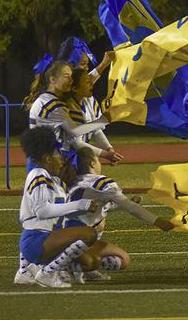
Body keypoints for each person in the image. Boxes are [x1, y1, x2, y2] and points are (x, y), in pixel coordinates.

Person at [64, 147, 174, 281]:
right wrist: (157, 221)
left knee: (97, 225)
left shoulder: (76, 181)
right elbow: (131, 208)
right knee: (122, 259)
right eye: (98, 160)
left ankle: (83, 267)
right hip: (77, 237)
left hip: (64, 235)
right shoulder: (101, 183)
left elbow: (102, 208)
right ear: (92, 163)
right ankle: (66, 266)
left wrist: (126, 204)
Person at [15, 126, 100, 289]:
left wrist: (88, 207)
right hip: (36, 241)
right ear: (48, 159)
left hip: (47, 239)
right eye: (57, 154)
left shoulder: (55, 181)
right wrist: (80, 204)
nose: (62, 159)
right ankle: (47, 273)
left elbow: (60, 212)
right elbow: (42, 211)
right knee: (89, 234)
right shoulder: (38, 174)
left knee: (91, 262)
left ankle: (30, 270)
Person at [24, 59, 111, 159]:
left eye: (71, 77)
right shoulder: (53, 104)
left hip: (45, 156)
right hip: (45, 159)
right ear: (52, 80)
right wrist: (104, 120)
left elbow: (85, 83)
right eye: (66, 77)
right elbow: (75, 130)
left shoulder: (48, 98)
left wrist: (104, 64)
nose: (71, 80)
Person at [64, 68, 123, 164]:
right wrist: (105, 154)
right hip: (66, 157)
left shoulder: (89, 100)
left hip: (79, 155)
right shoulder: (69, 107)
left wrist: (109, 149)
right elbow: (76, 143)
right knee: (93, 164)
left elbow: (96, 130)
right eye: (87, 82)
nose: (92, 84)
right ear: (75, 88)